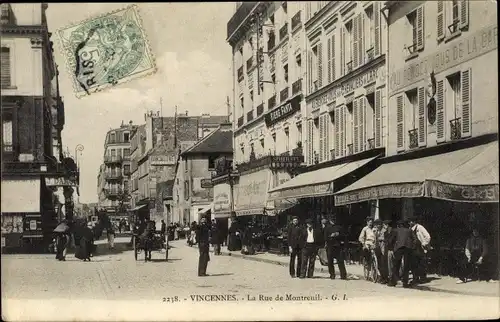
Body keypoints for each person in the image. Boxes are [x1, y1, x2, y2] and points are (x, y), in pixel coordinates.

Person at [388, 220, 415, 288]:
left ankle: (393, 282)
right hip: (408, 248)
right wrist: (412, 247)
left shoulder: (395, 230)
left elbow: (390, 240)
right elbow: (415, 239)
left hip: (399, 248)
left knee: (396, 265)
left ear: (398, 225)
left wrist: (390, 248)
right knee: (406, 266)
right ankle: (405, 283)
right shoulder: (409, 230)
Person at [408, 217, 431, 284]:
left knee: (421, 264)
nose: (409, 223)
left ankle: (423, 278)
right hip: (413, 248)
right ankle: (415, 278)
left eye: (411, 221)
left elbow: (428, 236)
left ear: (414, 222)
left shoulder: (420, 227)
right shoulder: (410, 229)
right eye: (409, 222)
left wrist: (424, 243)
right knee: (414, 264)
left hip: (420, 248)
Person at [374, 219, 387, 284]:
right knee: (379, 264)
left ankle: (384, 278)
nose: (377, 226)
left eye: (379, 224)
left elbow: (385, 238)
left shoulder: (384, 230)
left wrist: (379, 238)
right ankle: (382, 277)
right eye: (376, 224)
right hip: (377, 248)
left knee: (383, 264)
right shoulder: (376, 231)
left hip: (383, 249)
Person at [383, 220, 396, 284]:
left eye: (384, 225)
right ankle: (391, 279)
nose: (384, 226)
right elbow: (386, 241)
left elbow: (390, 241)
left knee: (392, 265)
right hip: (388, 250)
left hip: (393, 250)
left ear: (387, 225)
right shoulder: (385, 233)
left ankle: (393, 279)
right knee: (389, 265)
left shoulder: (394, 232)